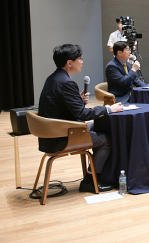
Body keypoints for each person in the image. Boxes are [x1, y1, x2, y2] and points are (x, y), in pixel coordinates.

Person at [38, 44, 124, 192]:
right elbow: (83, 115)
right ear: (69, 62)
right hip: (61, 137)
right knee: (107, 139)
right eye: (79, 58)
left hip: (51, 134)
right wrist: (109, 108)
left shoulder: (54, 78)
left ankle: (98, 175)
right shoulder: (67, 83)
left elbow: (60, 107)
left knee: (100, 127)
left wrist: (77, 101)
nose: (82, 61)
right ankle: (90, 181)